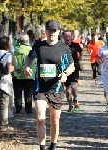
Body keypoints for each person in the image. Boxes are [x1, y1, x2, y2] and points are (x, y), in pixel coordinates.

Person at [24, 20, 75, 150]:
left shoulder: (64, 48)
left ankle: (53, 145)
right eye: (49, 30)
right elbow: (29, 57)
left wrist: (65, 74)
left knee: (54, 120)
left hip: (57, 88)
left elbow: (71, 65)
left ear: (58, 32)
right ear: (45, 31)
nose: (51, 33)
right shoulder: (39, 46)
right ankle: (42, 147)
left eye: (54, 30)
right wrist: (27, 67)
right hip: (40, 88)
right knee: (40, 118)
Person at [13, 34, 36, 113]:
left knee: (17, 92)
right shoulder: (31, 49)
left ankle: (18, 108)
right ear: (28, 41)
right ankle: (28, 109)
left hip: (17, 74)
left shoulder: (15, 49)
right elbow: (33, 62)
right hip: (29, 74)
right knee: (28, 92)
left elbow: (13, 61)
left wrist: (16, 69)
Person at [63, 30, 83, 113]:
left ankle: (75, 100)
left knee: (74, 86)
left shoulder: (76, 45)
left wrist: (80, 61)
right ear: (63, 37)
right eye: (66, 36)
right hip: (65, 69)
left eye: (69, 36)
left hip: (75, 67)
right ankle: (70, 105)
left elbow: (81, 52)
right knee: (68, 90)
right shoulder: (61, 46)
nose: (67, 38)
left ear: (71, 37)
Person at [98, 32, 108, 112]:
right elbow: (99, 58)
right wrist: (99, 61)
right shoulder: (103, 48)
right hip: (106, 73)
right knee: (106, 91)